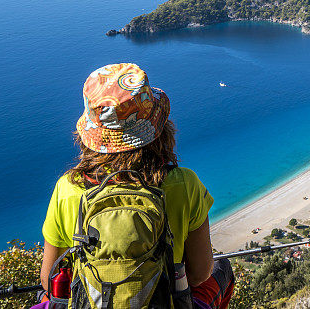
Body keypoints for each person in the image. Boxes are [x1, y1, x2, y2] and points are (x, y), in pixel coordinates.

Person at [34, 63, 234, 308]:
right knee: (224, 269)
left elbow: (48, 279)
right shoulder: (184, 183)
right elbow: (199, 274)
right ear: (159, 128)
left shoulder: (67, 189)